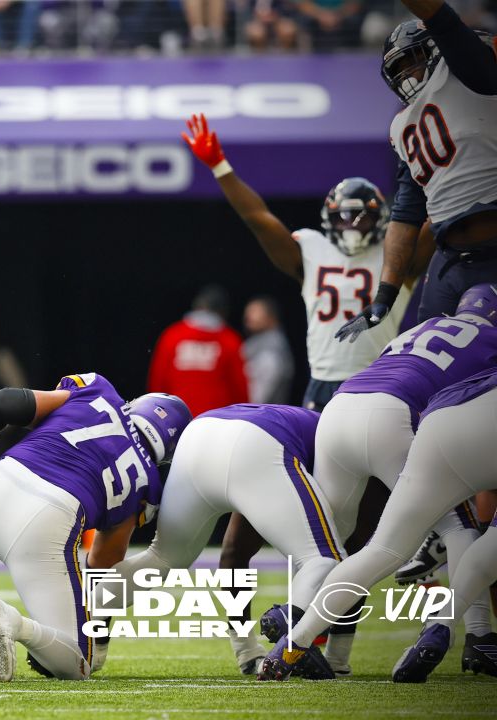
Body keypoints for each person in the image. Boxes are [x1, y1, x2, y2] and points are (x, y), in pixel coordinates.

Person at [183, 116, 409, 667]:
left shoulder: (401, 250)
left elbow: (437, 218)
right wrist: (220, 166)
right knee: (240, 538)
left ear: (383, 219)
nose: (354, 226)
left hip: (381, 399)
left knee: (354, 543)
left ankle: (338, 654)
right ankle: (245, 648)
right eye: (345, 216)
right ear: (330, 219)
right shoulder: (309, 249)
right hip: (319, 402)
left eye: (364, 216)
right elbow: (258, 218)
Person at [259, 283, 497, 681]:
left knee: (329, 543)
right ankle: (477, 635)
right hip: (400, 413)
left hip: (341, 407)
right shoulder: (490, 336)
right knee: (456, 527)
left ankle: (294, 625)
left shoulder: (421, 328)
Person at [0, 374, 190, 680]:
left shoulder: (99, 390)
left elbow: (3, 403)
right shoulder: (146, 484)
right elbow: (102, 565)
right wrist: (96, 633)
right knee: (78, 662)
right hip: (42, 526)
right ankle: (16, 624)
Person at [91, 403, 346, 676]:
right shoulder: (338, 438)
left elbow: (234, 553)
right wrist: (338, 655)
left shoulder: (326, 424)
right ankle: (294, 638)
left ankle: (78, 624)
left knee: (163, 558)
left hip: (199, 434)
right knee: (326, 559)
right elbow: (351, 546)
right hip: (260, 443)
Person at [337, 0, 497, 340]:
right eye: (399, 69)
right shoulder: (401, 126)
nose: (407, 74)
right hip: (450, 259)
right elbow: (406, 214)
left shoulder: (471, 72)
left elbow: (440, 17)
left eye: (412, 60)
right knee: (429, 360)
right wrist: (385, 294)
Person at [391, 367, 497, 682]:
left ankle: (447, 625)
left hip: (433, 416)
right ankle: (302, 642)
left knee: (374, 549)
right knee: (321, 554)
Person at [147, 284, 248, 417]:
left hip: (176, 421)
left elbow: (157, 383)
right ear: (223, 312)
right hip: (216, 423)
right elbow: (240, 390)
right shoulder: (229, 340)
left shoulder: (173, 335)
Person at [241, 297, 294, 405]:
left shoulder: (275, 345)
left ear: (271, 317)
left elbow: (257, 398)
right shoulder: (255, 342)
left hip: (262, 414)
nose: (248, 316)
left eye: (255, 311)